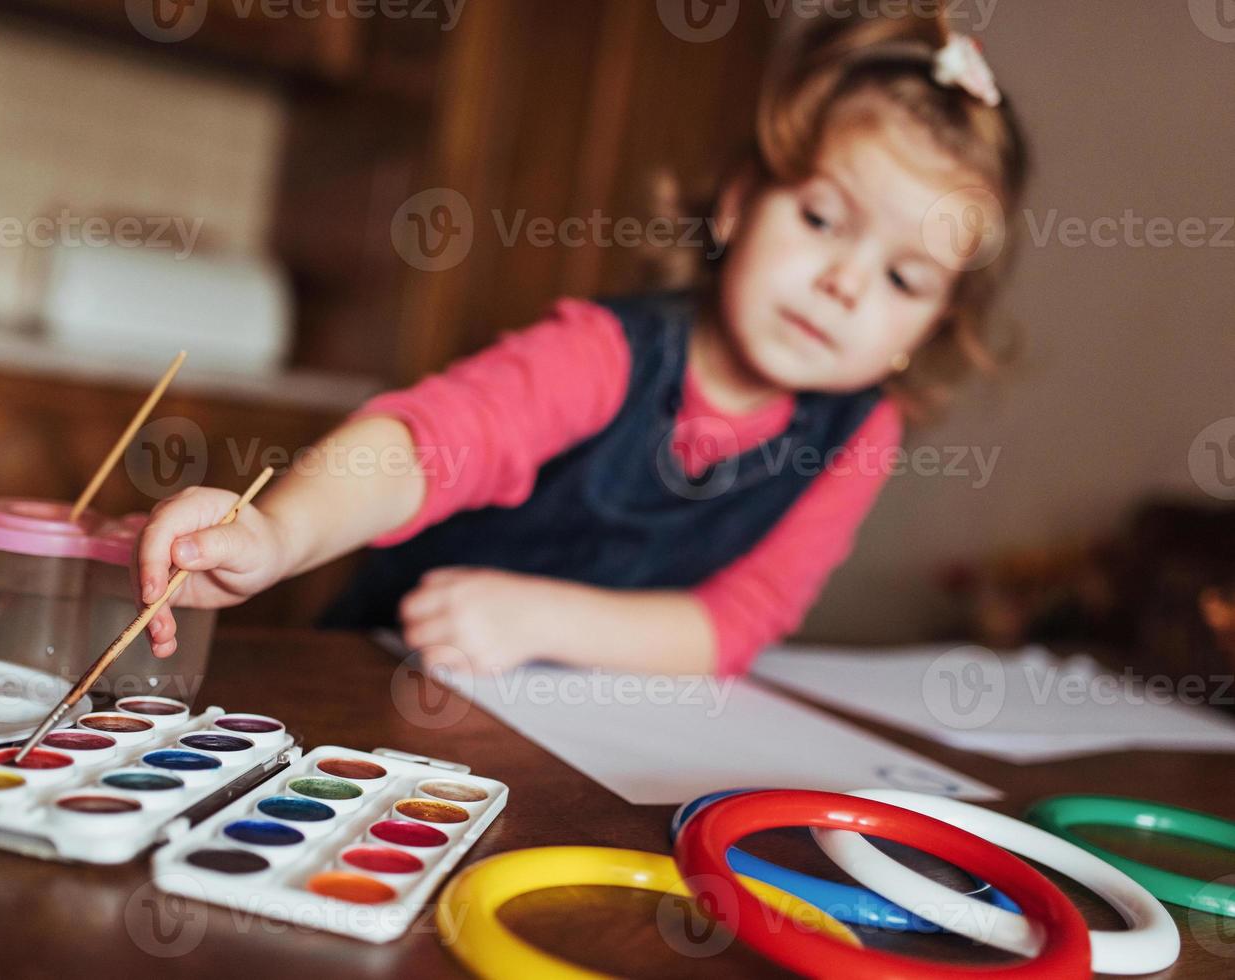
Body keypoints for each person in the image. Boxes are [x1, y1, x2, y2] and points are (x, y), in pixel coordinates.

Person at [134, 7, 1029, 679]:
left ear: (935, 326)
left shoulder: (861, 432)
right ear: (736, 202)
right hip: (393, 683)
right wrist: (280, 532)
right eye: (822, 218)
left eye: (904, 279)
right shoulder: (605, 354)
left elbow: (742, 619)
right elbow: (429, 442)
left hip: (580, 734)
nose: (844, 284)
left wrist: (545, 621)